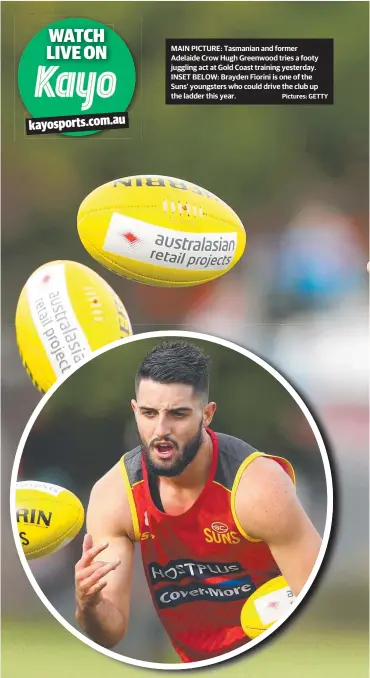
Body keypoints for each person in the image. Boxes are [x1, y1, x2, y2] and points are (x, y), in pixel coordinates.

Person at [75, 341, 322, 663]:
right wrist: (88, 604)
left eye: (178, 414)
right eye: (149, 414)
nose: (160, 430)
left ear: (207, 415)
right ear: (135, 411)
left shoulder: (257, 489)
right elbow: (110, 631)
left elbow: (316, 596)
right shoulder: (115, 496)